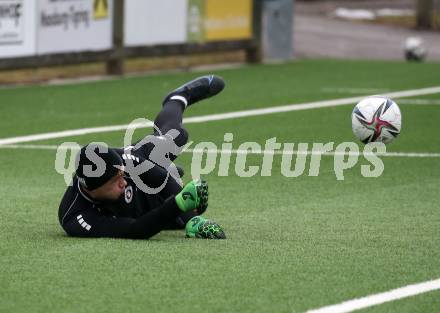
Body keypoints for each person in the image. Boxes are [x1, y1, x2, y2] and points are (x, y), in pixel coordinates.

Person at [58, 75, 226, 239]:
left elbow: (163, 180)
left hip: (144, 162)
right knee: (189, 211)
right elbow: (135, 229)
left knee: (177, 136)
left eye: (121, 175)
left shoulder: (122, 160)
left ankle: (178, 97)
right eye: (115, 181)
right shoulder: (76, 217)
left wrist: (193, 221)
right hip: (144, 209)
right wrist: (182, 203)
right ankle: (175, 176)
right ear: (92, 189)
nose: (123, 181)